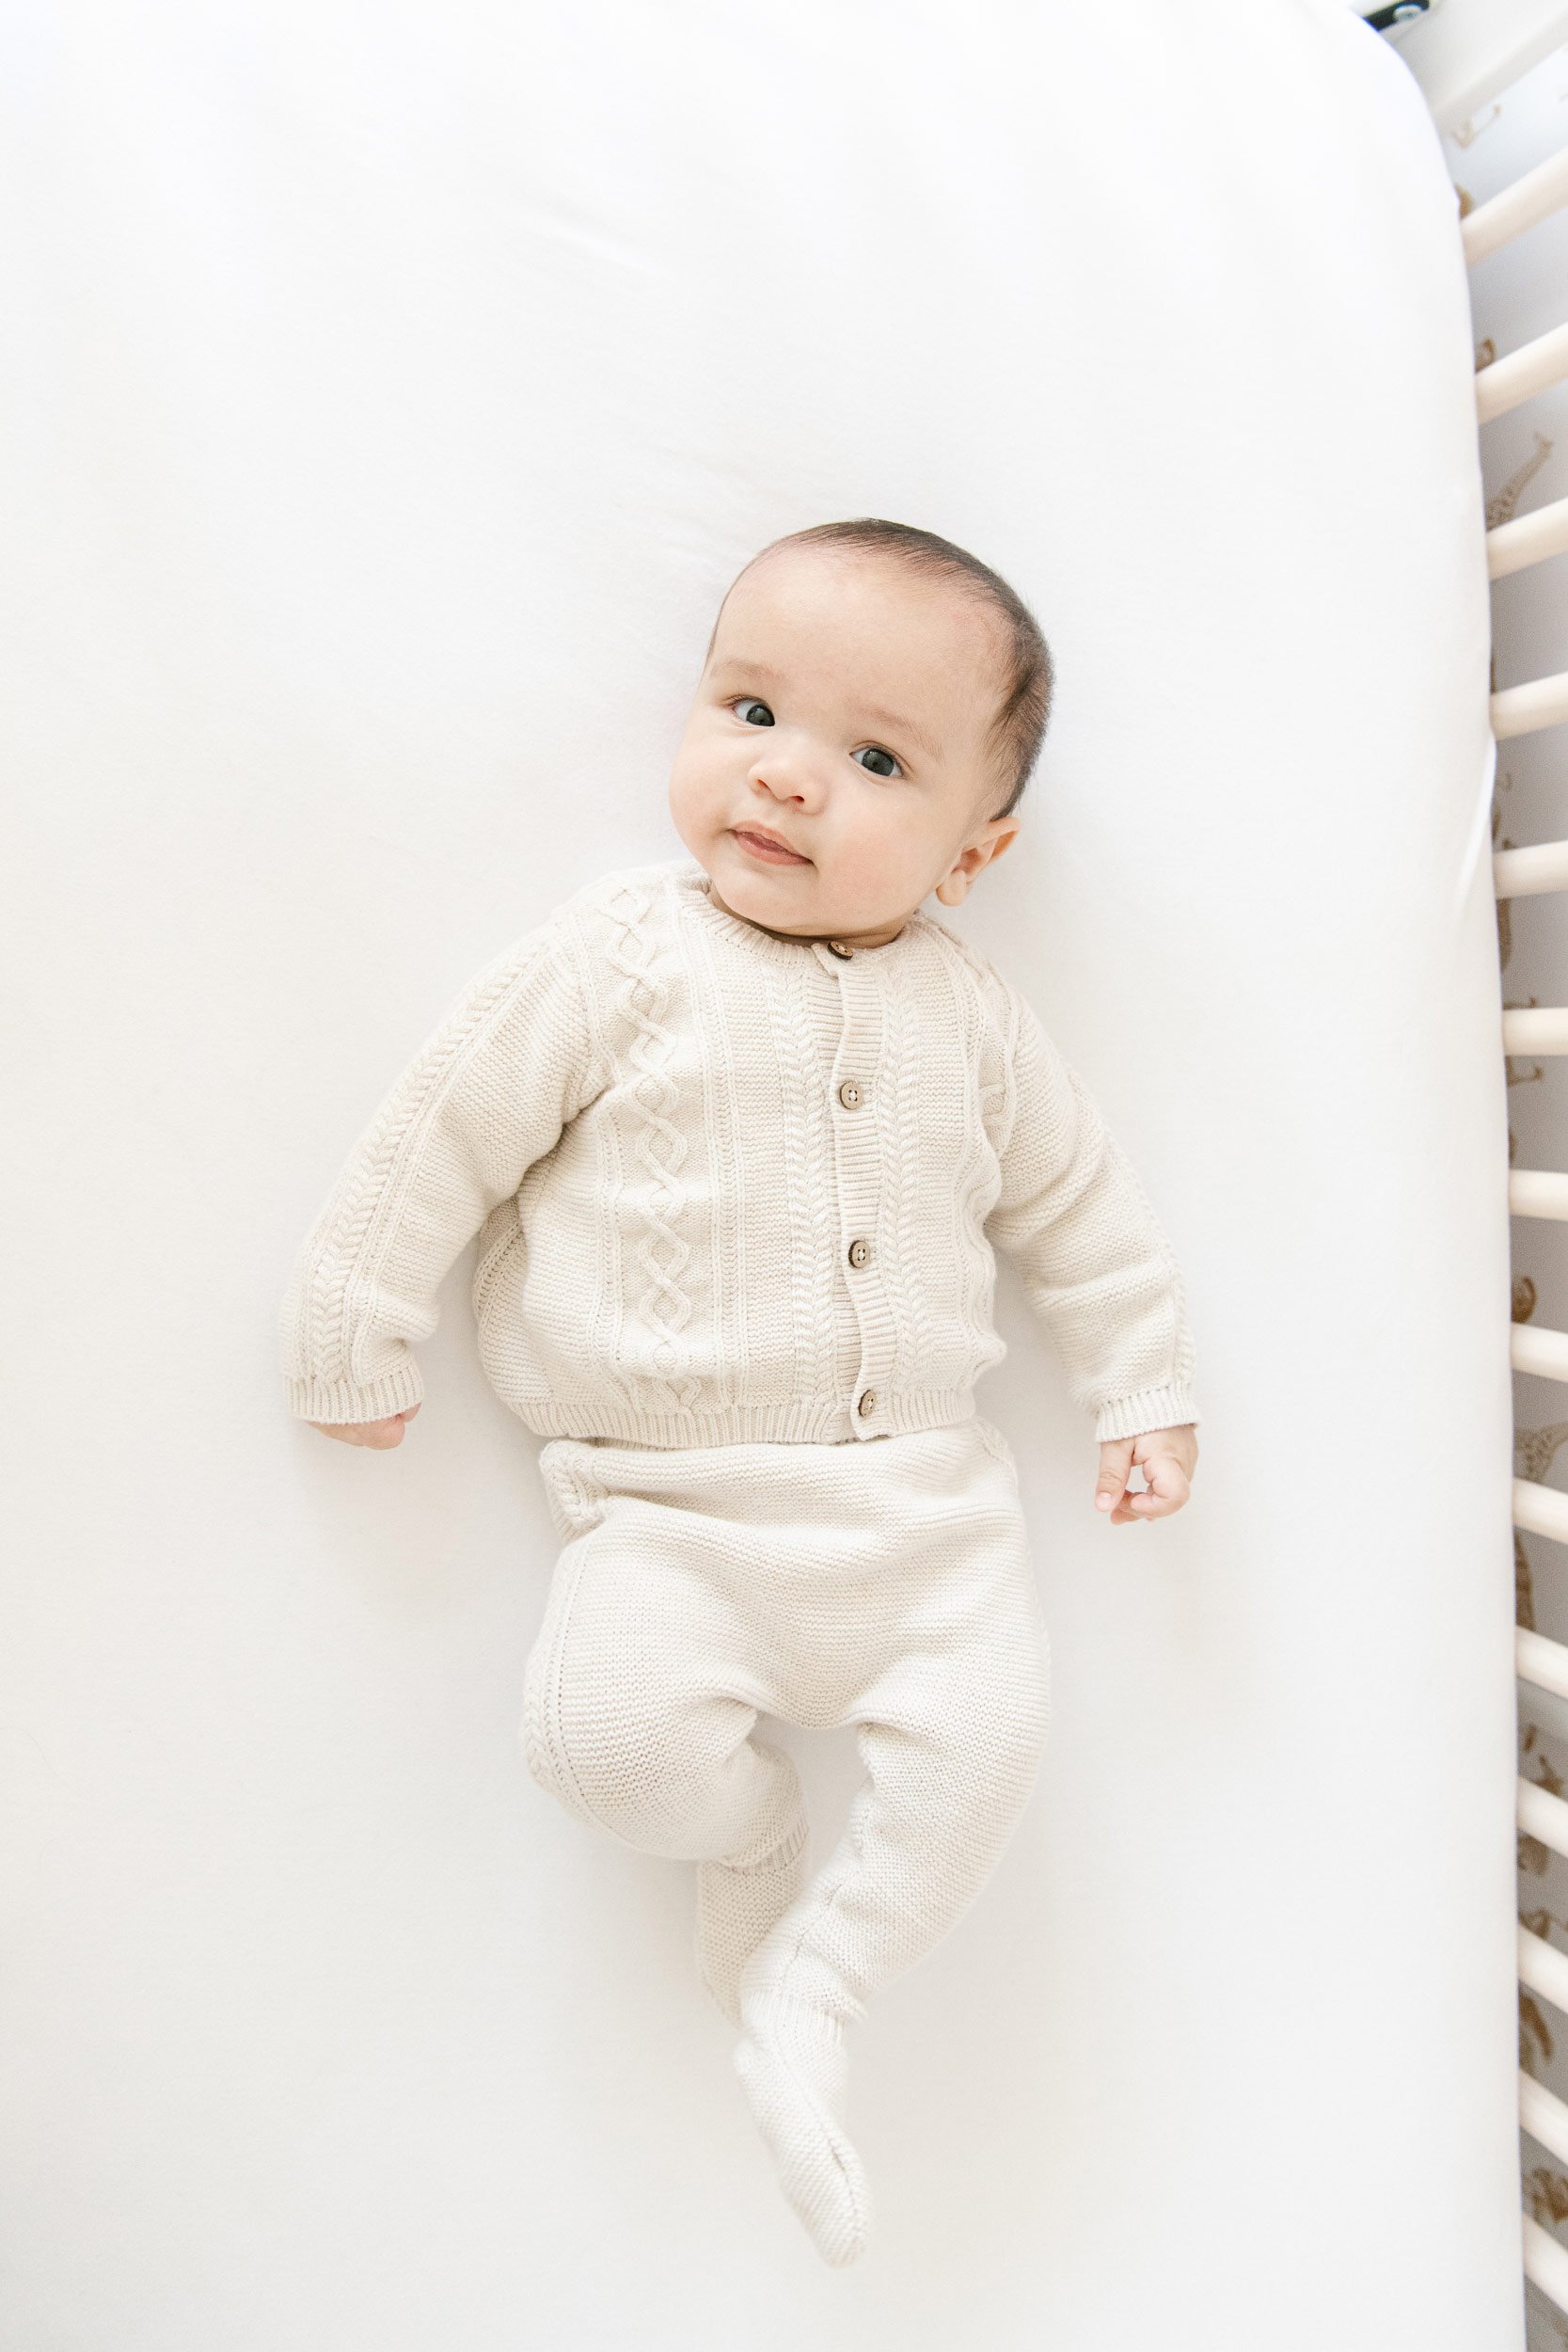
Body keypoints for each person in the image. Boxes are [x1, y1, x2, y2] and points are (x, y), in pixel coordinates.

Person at [277, 516, 1201, 2266]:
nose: (785, 781)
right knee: (598, 1744)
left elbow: (1083, 1211)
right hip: (670, 1521)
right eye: (748, 707)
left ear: (974, 848)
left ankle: (823, 1984)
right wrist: (354, 1323)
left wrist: (1140, 1387)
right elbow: (439, 1135)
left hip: (930, 1524)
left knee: (987, 1750)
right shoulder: (622, 959)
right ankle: (754, 1834)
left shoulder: (975, 1019)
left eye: (872, 760)